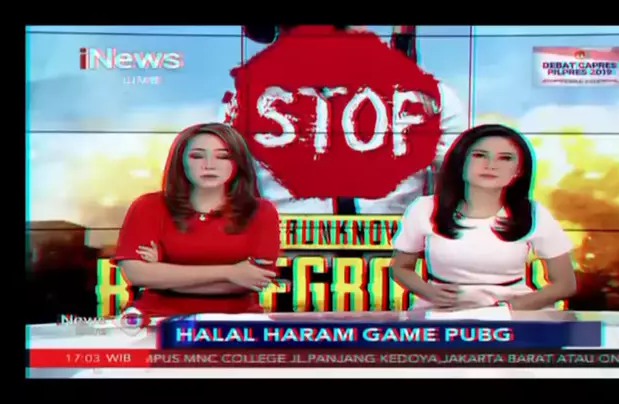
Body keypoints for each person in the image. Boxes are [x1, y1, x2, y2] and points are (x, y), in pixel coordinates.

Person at [223, 25, 465, 215]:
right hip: (286, 255)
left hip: (394, 255)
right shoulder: (244, 102)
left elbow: (464, 189)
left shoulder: (430, 98)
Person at [390, 124, 577, 311]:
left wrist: (511, 307)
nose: (491, 165)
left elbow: (565, 284)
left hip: (514, 312)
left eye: (505, 158)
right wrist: (429, 292)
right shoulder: (425, 208)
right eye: (480, 155)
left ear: (519, 171)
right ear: (461, 162)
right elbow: (400, 268)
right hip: (443, 311)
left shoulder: (533, 213)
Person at [112, 123, 280, 316]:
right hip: (158, 317)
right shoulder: (148, 206)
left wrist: (162, 274)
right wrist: (231, 273)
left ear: (238, 162)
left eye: (223, 156)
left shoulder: (261, 211)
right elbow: (137, 274)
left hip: (237, 319)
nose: (209, 165)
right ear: (181, 161)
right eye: (197, 156)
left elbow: (256, 280)